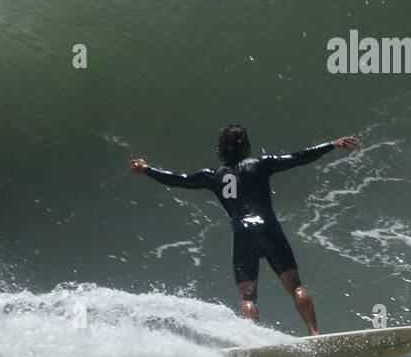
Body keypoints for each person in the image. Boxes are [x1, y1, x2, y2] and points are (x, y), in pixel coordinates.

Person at [129, 125, 359, 335]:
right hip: (268, 228)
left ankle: (256, 340)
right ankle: (314, 333)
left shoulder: (212, 176)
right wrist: (332, 145)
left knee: (248, 297)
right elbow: (297, 158)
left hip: (242, 233)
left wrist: (147, 169)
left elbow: (180, 180)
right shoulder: (260, 164)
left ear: (221, 149)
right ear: (246, 145)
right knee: (295, 285)